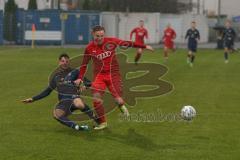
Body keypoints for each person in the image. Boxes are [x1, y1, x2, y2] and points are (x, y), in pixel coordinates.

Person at [74, 25, 154, 130]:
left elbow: (128, 43)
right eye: (97, 36)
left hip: (113, 75)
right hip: (99, 76)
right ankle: (103, 123)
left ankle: (121, 105)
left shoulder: (111, 41)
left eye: (102, 36)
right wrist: (80, 77)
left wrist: (144, 46)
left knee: (119, 101)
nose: (100, 38)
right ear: (93, 35)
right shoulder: (89, 48)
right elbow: (84, 64)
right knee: (96, 98)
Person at [22, 53, 98, 131]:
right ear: (59, 62)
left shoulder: (75, 72)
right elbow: (47, 91)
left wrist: (84, 86)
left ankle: (96, 119)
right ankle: (78, 127)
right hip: (64, 102)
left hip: (74, 97)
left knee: (79, 104)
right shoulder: (56, 77)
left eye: (67, 61)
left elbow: (89, 83)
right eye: (63, 61)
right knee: (56, 115)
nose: (65, 63)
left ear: (69, 62)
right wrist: (33, 99)